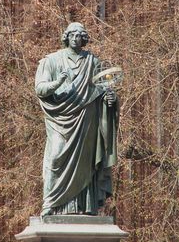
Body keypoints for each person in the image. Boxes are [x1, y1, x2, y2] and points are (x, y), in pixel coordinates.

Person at [35, 22, 119, 216]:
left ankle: (84, 206)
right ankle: (51, 203)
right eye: (72, 34)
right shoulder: (51, 61)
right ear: (66, 37)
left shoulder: (93, 62)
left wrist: (110, 100)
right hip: (60, 119)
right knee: (55, 156)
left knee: (86, 163)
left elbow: (102, 90)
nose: (76, 38)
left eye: (80, 35)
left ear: (84, 39)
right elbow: (40, 88)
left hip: (86, 120)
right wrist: (58, 82)